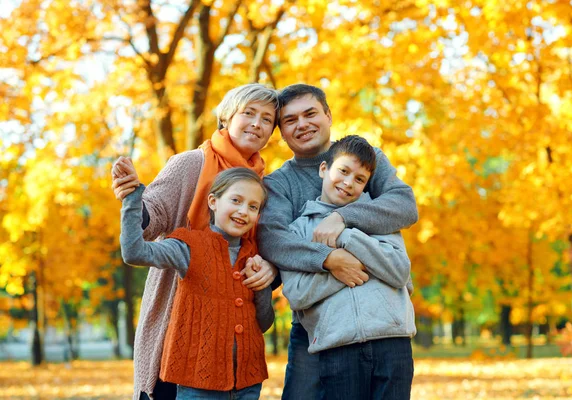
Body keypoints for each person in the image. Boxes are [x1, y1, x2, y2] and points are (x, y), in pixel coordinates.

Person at [111, 83, 280, 400]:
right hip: (179, 315)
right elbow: (152, 219)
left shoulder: (262, 184)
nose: (257, 124)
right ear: (227, 117)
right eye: (249, 113)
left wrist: (270, 270)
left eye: (267, 119)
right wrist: (133, 198)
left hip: (234, 333)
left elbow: (262, 248)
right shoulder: (191, 163)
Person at [257, 84, 419, 399]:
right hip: (318, 322)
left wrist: (344, 219)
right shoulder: (280, 182)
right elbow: (273, 239)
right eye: (290, 120)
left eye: (310, 113)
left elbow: (404, 205)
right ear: (281, 132)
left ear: (328, 116)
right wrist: (329, 260)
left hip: (382, 322)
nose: (302, 124)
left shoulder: (366, 158)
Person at [120, 167, 274, 400]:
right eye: (236, 200)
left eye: (253, 207)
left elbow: (264, 322)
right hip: (199, 385)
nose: (244, 211)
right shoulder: (189, 246)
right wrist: (132, 199)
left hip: (248, 384)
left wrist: (261, 286)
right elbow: (134, 253)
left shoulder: (253, 256)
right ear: (213, 201)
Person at [280, 135, 416, 400]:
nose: (348, 183)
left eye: (359, 179)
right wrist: (341, 267)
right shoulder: (298, 230)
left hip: (393, 341)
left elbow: (399, 271)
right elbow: (296, 293)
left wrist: (346, 237)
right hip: (337, 347)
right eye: (343, 171)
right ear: (323, 169)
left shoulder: (378, 217)